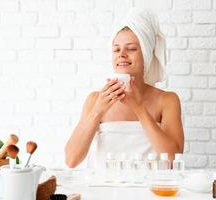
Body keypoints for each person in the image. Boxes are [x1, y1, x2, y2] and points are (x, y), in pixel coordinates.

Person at [65, 8, 184, 168]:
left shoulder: (167, 100)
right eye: (116, 49)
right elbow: (71, 160)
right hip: (106, 191)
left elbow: (172, 157)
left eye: (131, 48)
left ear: (147, 54)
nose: (121, 54)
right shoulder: (95, 99)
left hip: (151, 191)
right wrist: (98, 111)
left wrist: (139, 108)